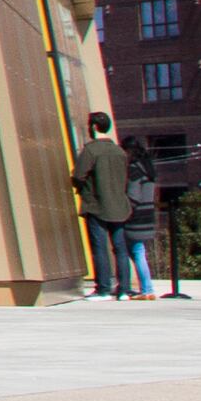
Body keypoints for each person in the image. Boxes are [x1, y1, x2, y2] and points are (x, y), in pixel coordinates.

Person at [73, 111, 139, 295]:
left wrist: (82, 188)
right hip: (119, 206)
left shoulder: (91, 150)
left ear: (93, 127)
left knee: (99, 248)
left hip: (97, 206)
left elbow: (78, 175)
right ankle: (124, 289)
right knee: (120, 248)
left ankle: (102, 289)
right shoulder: (120, 152)